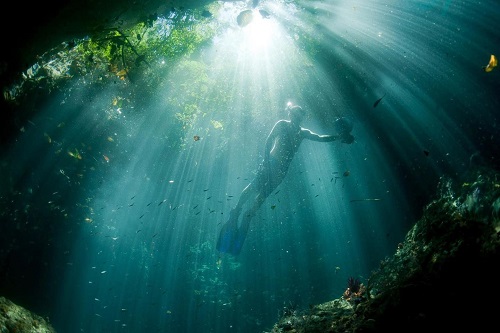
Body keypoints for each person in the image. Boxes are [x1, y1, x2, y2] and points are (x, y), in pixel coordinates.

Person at [216, 103, 354, 255]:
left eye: (299, 116)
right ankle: (237, 211)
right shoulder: (282, 124)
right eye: (295, 115)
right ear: (290, 115)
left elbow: (320, 137)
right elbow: (269, 140)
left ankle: (247, 215)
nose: (296, 118)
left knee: (262, 195)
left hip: (281, 170)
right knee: (253, 187)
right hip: (271, 163)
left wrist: (338, 137)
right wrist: (266, 160)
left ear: (301, 118)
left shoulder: (303, 132)